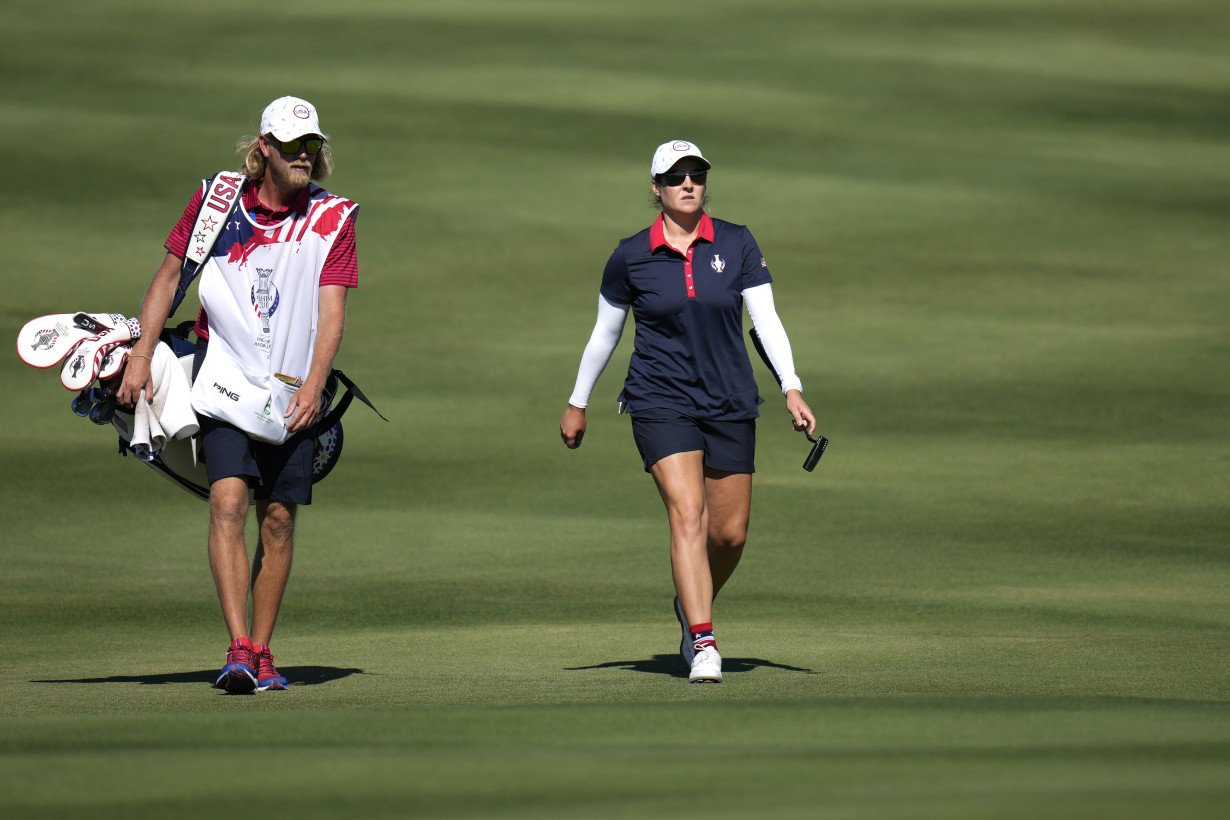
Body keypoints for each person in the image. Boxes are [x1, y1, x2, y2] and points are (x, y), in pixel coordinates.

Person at [117, 96, 360, 693]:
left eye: (312, 145)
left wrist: (313, 383)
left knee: (276, 518)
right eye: (292, 145)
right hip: (222, 377)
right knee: (227, 503)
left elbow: (332, 314)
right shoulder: (215, 201)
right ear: (264, 149)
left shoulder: (334, 219)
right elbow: (170, 276)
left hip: (292, 391)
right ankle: (238, 649)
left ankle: (266, 649)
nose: (304, 155)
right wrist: (142, 355)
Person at [560, 140, 815, 684]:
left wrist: (791, 387)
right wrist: (578, 401)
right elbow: (605, 333)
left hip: (729, 398)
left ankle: (688, 603)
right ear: (656, 188)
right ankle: (704, 639)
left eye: (696, 174)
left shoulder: (737, 242)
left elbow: (766, 321)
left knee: (730, 535)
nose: (688, 183)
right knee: (688, 514)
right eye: (675, 176)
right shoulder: (631, 254)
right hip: (660, 399)